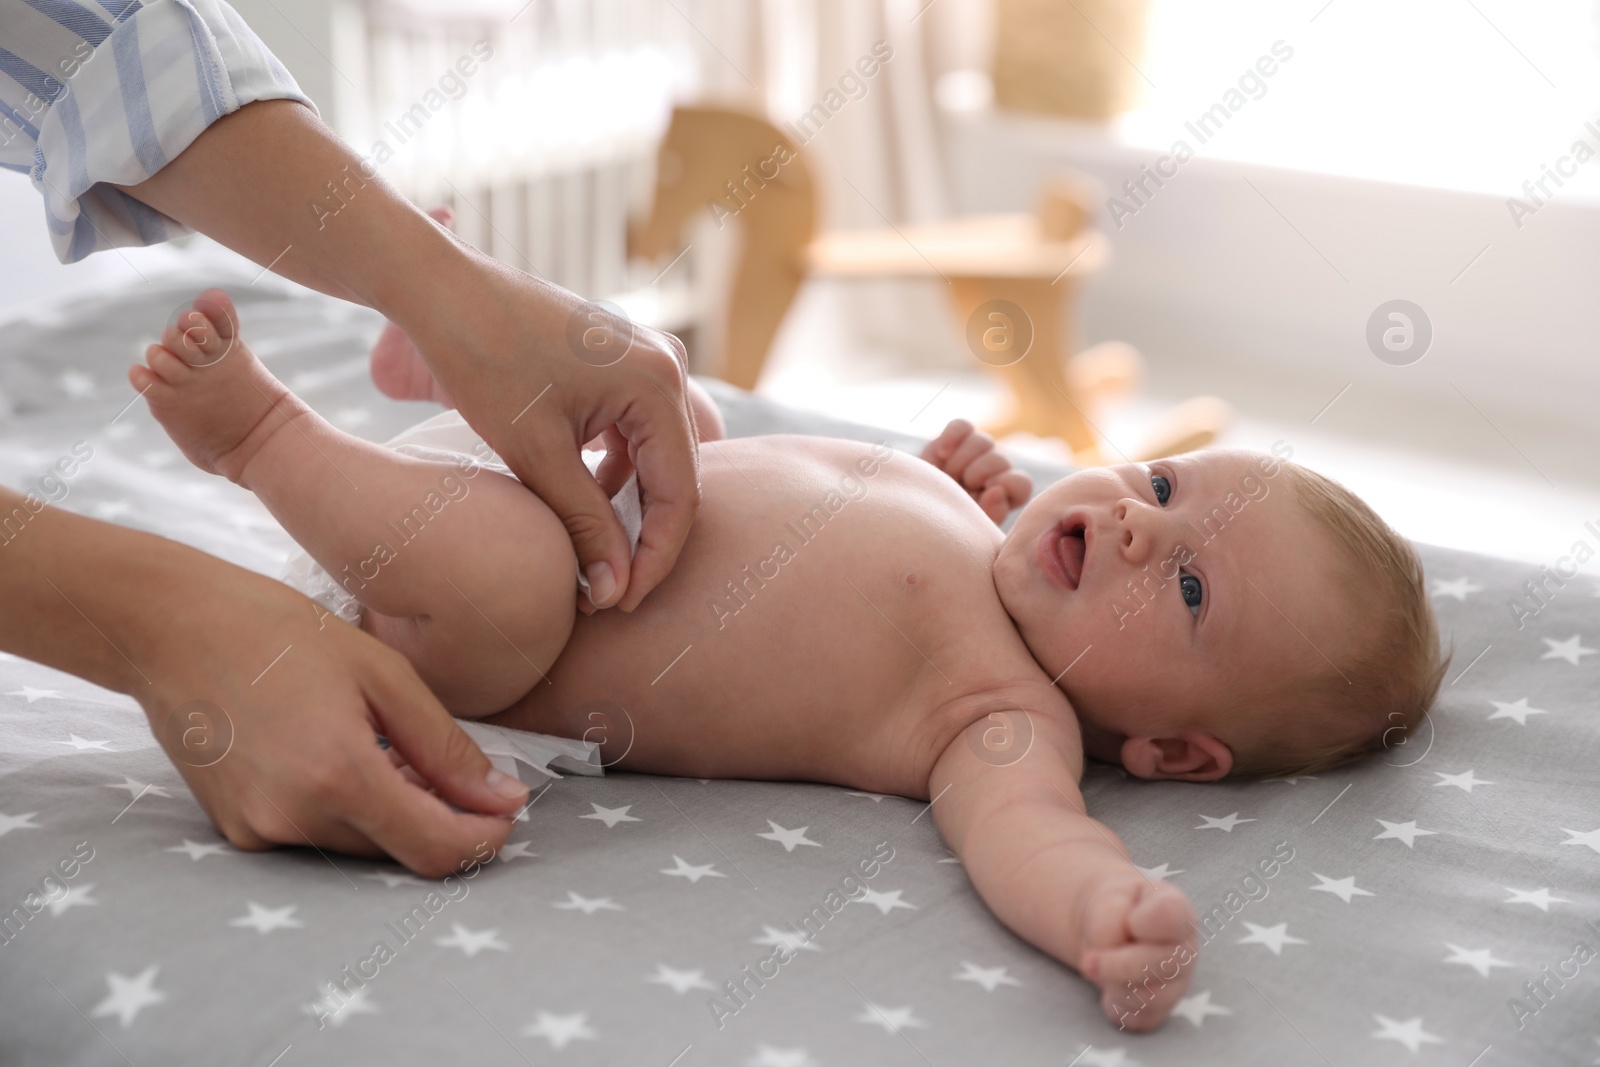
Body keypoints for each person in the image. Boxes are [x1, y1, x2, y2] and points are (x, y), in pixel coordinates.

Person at [133, 291, 1444, 1030]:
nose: (1141, 521)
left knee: (521, 582)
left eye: (1192, 584)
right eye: (1162, 479)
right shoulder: (994, 544)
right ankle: (478, 360)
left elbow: (1028, 838)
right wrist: (950, 491)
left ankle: (258, 436)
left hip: (470, 638)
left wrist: (1105, 908)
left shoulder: (1000, 710)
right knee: (672, 393)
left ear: (1167, 751)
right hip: (568, 498)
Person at [0, 1, 701, 877]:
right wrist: (153, 621)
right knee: (513, 574)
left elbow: (81, 40)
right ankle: (262, 435)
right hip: (487, 633)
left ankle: (447, 359)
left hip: (543, 531)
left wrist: (442, 289)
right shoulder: (937, 689)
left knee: (684, 420)